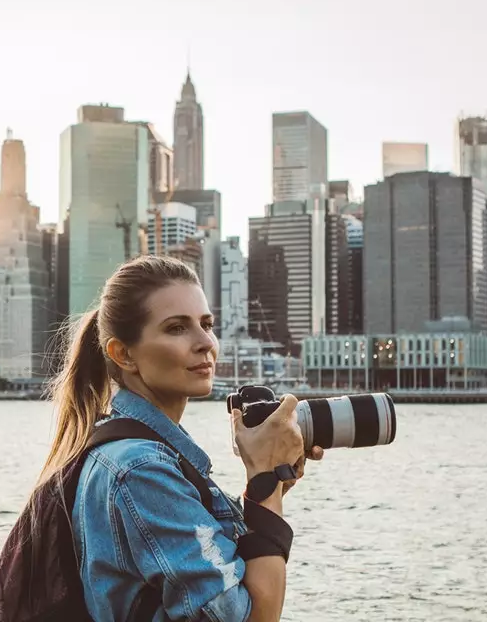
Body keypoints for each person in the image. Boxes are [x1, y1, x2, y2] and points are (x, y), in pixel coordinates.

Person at [36, 255, 324, 622]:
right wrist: (264, 479)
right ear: (123, 354)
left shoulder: (131, 452)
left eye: (207, 324)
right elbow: (252, 617)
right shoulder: (141, 470)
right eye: (177, 328)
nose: (206, 342)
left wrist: (267, 487)